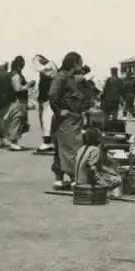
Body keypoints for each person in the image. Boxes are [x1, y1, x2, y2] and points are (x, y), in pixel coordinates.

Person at [48, 52, 88, 191]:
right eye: (80, 63)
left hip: (70, 118)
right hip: (67, 119)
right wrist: (59, 110)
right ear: (74, 63)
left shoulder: (68, 77)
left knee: (62, 147)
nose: (81, 65)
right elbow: (52, 95)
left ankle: (60, 178)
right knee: (72, 148)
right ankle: (73, 178)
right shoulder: (62, 77)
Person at [2, 56, 31, 151]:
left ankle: (14, 142)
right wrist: (28, 85)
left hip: (18, 101)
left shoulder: (14, 73)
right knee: (17, 120)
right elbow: (17, 88)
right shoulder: (16, 75)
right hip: (18, 101)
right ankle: (13, 142)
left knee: (18, 120)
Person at [33, 55, 58, 153]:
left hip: (48, 99)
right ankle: (49, 141)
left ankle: (47, 142)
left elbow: (40, 69)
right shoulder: (46, 68)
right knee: (45, 120)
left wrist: (36, 60)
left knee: (47, 119)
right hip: (44, 98)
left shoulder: (50, 65)